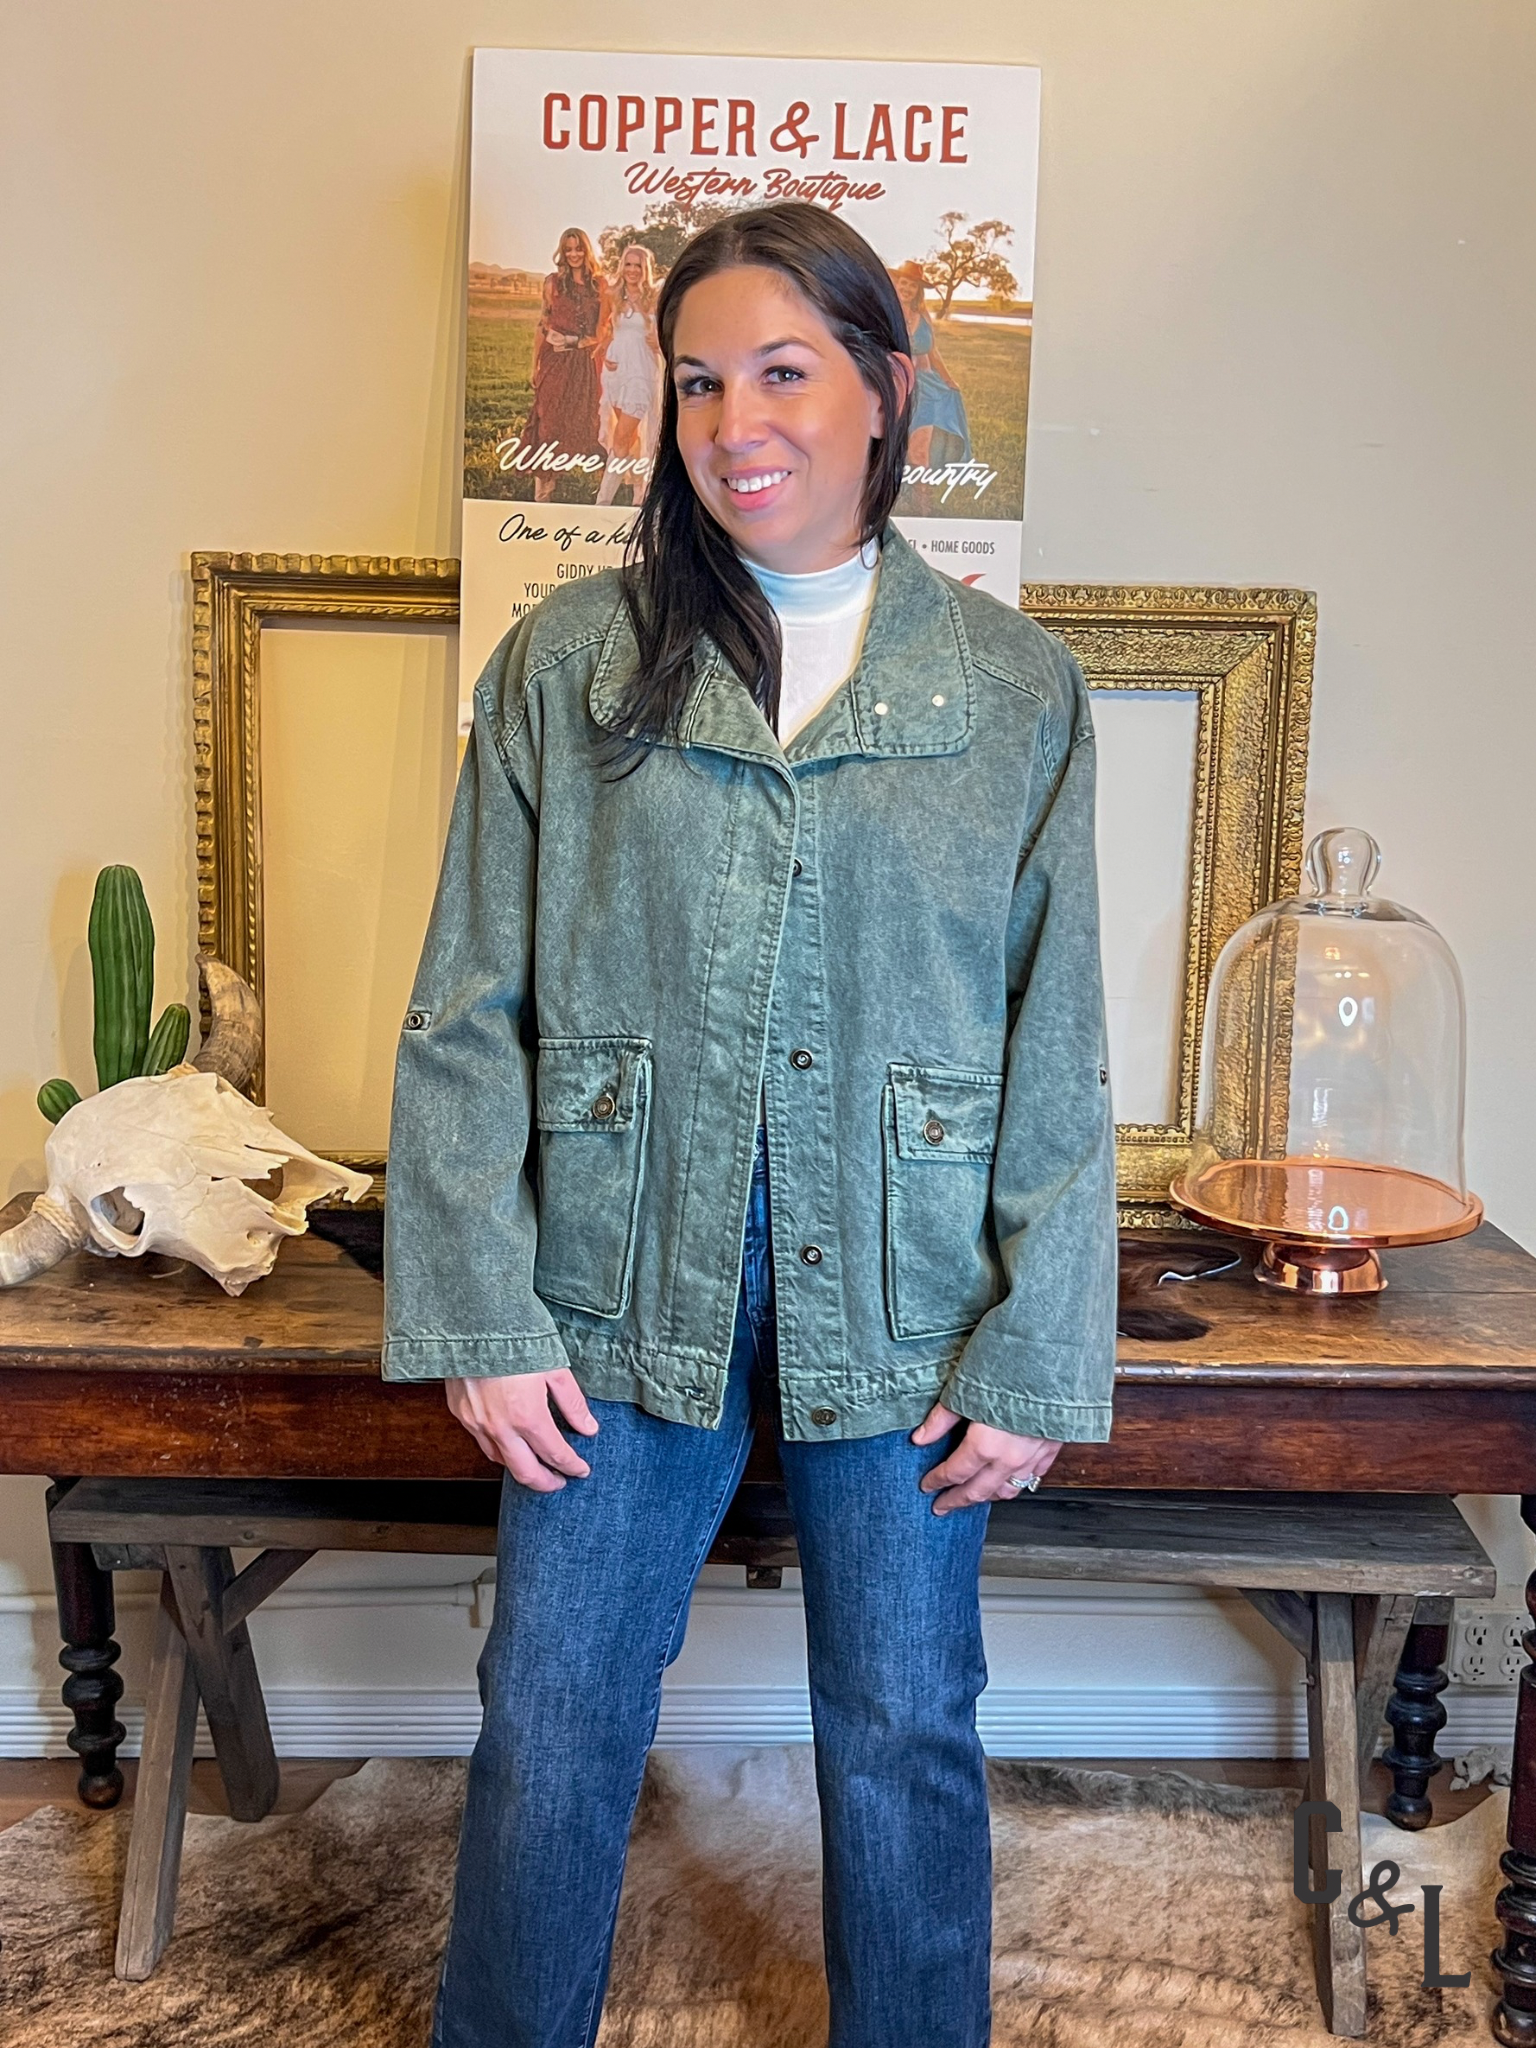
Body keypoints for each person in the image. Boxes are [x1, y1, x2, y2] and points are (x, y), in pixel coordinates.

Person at [384, 200, 1117, 2048]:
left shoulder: (1012, 692)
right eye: (697, 381)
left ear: (887, 388)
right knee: (552, 1709)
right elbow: (468, 1008)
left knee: (902, 1720)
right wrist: (478, 1315)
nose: (733, 423)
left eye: (782, 371)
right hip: (613, 1274)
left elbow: (1057, 1039)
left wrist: (1037, 1346)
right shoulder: (570, 663)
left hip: (911, 1282)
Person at [524, 226, 606, 504]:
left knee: (584, 421)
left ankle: (600, 487)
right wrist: (533, 365)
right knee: (547, 419)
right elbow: (543, 324)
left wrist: (573, 342)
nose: (573, 254)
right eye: (568, 248)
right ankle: (543, 492)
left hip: (582, 363)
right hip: (552, 361)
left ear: (587, 250)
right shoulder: (552, 283)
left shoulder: (599, 285)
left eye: (578, 248)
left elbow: (602, 333)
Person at [891, 259, 973, 514]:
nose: (907, 288)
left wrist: (948, 380)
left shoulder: (922, 315)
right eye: (903, 283)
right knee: (895, 449)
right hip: (897, 388)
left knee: (919, 450)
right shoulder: (888, 311)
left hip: (927, 390)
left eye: (912, 285)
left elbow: (933, 351)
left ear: (918, 290)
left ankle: (923, 509)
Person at [595, 241, 663, 506]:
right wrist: (606, 350)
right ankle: (639, 498)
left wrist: (661, 342)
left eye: (638, 265)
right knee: (628, 438)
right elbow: (606, 328)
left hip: (642, 373)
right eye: (628, 264)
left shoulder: (655, 296)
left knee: (623, 438)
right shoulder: (612, 295)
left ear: (645, 269)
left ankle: (601, 504)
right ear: (622, 267)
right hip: (615, 372)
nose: (632, 270)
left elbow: (667, 330)